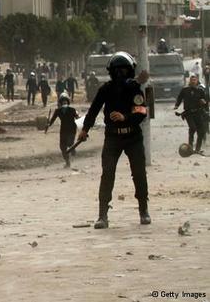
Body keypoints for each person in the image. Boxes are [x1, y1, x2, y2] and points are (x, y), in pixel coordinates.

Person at [77, 51, 151, 229]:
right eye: (117, 71)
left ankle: (143, 210)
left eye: (123, 70)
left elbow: (141, 113)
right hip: (112, 137)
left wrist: (125, 117)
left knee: (139, 173)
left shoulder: (135, 89)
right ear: (112, 72)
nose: (120, 74)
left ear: (129, 71)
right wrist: (85, 129)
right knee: (107, 174)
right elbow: (93, 111)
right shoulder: (105, 89)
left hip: (133, 136)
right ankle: (102, 215)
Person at [174, 75, 208, 153]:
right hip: (188, 113)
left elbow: (205, 103)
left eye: (195, 80)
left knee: (201, 131)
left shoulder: (200, 91)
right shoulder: (185, 90)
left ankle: (197, 149)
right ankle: (190, 147)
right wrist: (176, 105)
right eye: (192, 80)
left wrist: (204, 103)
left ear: (197, 81)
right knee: (192, 128)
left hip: (198, 112)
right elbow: (179, 98)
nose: (193, 81)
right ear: (190, 81)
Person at [47, 92, 80, 168]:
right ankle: (67, 162)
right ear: (61, 103)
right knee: (62, 147)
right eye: (63, 101)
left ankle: (72, 149)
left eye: (65, 101)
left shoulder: (73, 110)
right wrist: (49, 124)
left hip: (71, 130)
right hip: (64, 130)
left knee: (69, 143)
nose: (64, 102)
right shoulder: (58, 111)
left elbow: (78, 118)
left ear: (67, 102)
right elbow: (52, 119)